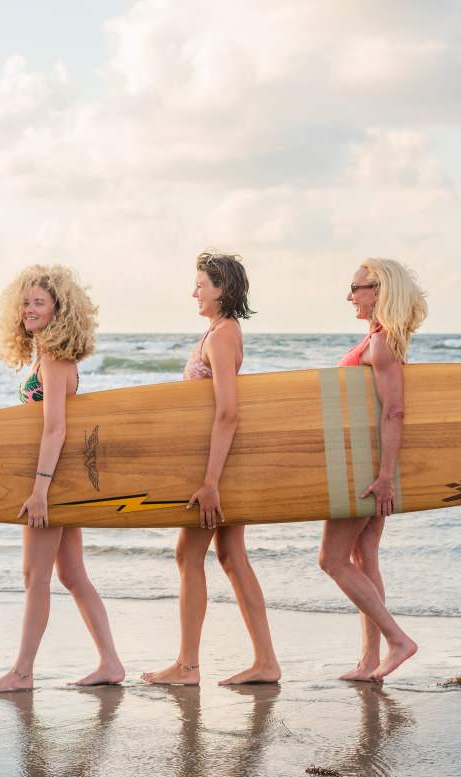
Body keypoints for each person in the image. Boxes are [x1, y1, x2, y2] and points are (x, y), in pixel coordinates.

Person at [0, 265, 124, 694]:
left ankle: (22, 673)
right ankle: (110, 662)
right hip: (61, 478)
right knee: (72, 574)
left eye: (39, 302)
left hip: (52, 483)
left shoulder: (56, 359)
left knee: (35, 577)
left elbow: (55, 428)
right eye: (25, 302)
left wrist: (39, 490)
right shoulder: (43, 354)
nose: (29, 309)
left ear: (59, 309)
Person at [141, 251, 280, 686]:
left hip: (218, 467)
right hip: (225, 463)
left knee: (190, 554)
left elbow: (228, 411)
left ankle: (187, 667)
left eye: (201, 284)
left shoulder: (221, 336)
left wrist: (210, 482)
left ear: (223, 289)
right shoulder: (222, 330)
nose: (194, 292)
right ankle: (265, 662)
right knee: (233, 558)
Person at [319, 258, 427, 681]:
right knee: (363, 558)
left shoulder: (382, 345)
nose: (350, 296)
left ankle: (397, 640)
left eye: (356, 287)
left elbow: (395, 412)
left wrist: (384, 476)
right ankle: (368, 660)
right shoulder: (381, 339)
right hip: (368, 464)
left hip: (366, 470)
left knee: (331, 559)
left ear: (379, 291)